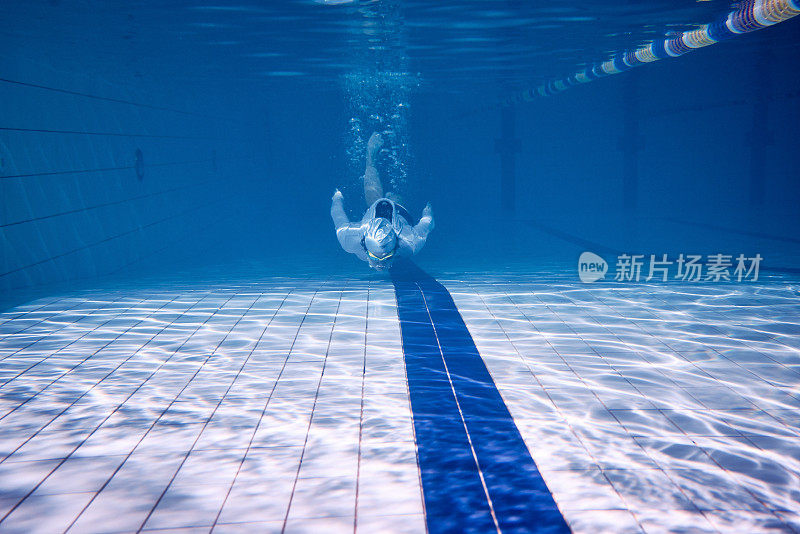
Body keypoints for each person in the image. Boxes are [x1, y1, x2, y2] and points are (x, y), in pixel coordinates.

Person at [331, 132, 434, 271]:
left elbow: (427, 223)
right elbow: (337, 213)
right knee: (389, 195)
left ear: (397, 246)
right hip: (390, 210)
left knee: (387, 196)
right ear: (364, 246)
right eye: (374, 257)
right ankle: (371, 157)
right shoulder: (350, 237)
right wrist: (336, 197)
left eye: (386, 257)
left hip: (398, 211)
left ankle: (372, 158)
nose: (380, 264)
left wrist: (428, 212)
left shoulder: (409, 241)